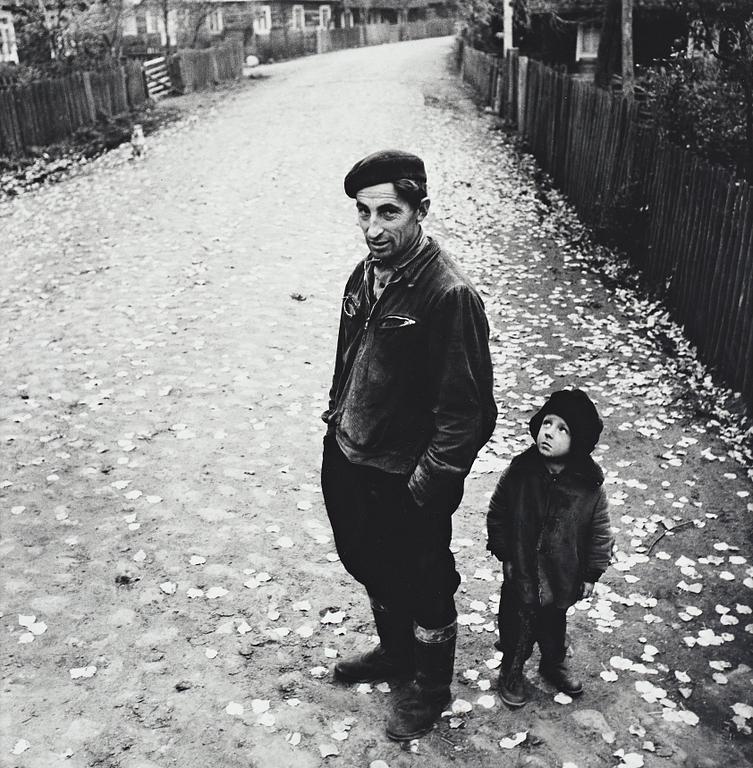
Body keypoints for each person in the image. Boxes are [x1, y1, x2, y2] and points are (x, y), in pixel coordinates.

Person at [321, 149, 497, 741]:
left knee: (424, 581)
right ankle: (396, 654)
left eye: (388, 212)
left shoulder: (449, 296)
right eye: (363, 213)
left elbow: (467, 414)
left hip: (406, 476)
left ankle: (429, 684)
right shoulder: (363, 274)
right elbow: (349, 358)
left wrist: (429, 486)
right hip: (349, 455)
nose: (373, 229)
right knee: (366, 560)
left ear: (420, 209)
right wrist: (336, 424)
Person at [486, 389, 612, 708]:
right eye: (547, 422)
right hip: (522, 570)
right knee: (514, 624)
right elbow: (498, 511)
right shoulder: (520, 472)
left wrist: (591, 574)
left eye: (562, 429)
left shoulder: (589, 486)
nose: (549, 433)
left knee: (554, 624)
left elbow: (599, 533)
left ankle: (552, 663)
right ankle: (511, 670)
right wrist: (505, 553)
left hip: (561, 575)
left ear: (578, 441)